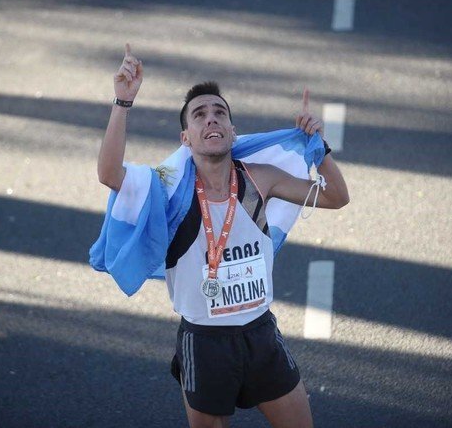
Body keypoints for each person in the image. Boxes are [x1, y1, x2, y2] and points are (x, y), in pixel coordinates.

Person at [97, 44, 349, 428]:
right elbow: (110, 174)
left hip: (260, 333)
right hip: (204, 340)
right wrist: (123, 101)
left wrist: (320, 147)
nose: (211, 119)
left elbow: (336, 197)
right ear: (186, 137)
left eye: (220, 113)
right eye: (199, 115)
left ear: (232, 132)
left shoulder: (260, 178)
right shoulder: (167, 188)